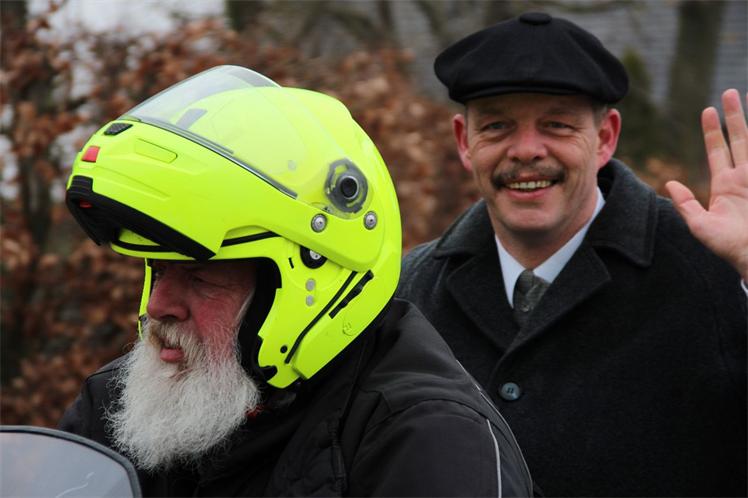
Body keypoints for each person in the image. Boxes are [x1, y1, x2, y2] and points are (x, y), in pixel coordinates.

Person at [58, 65, 533, 497]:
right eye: (159, 270)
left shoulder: (430, 441)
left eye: (200, 279)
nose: (158, 306)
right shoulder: (120, 404)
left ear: (312, 282)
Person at [397, 12, 747, 498]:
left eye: (557, 125)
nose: (526, 150)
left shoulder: (719, 274)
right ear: (464, 141)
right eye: (497, 126)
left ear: (605, 138)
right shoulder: (405, 295)